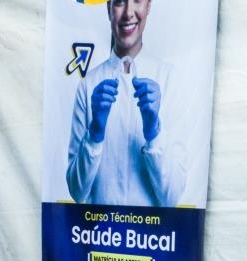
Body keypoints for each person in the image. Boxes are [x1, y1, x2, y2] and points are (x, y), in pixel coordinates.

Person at [66, 0, 187, 207]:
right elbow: (77, 192)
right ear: (108, 8)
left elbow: (172, 197)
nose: (128, 12)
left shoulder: (168, 79)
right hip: (100, 227)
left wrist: (153, 131)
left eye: (137, 0)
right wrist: (95, 132)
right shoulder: (88, 85)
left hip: (150, 229)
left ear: (148, 6)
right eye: (120, 2)